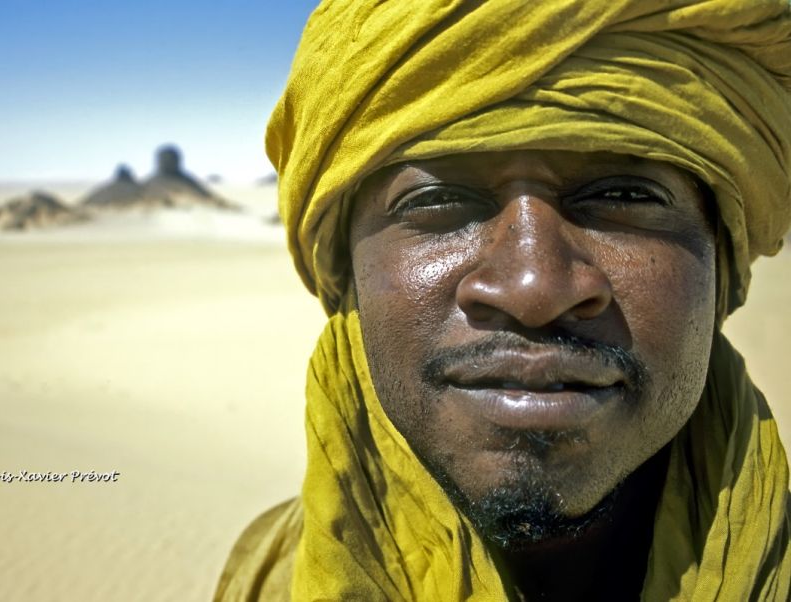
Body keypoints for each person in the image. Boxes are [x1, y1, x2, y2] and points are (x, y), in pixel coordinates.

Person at [216, 0, 791, 599]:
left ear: (720, 263)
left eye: (624, 192)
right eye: (436, 201)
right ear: (347, 270)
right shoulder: (263, 575)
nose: (533, 289)